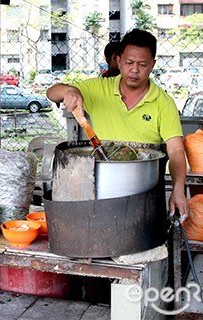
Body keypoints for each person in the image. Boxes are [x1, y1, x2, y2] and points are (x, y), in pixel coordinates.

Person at [46, 29, 189, 220]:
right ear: (118, 60)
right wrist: (69, 90)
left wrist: (179, 189)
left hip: (144, 192)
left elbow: (176, 150)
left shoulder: (163, 102)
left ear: (153, 65)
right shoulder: (98, 89)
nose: (135, 70)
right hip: (100, 189)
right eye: (129, 63)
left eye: (142, 64)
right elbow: (51, 93)